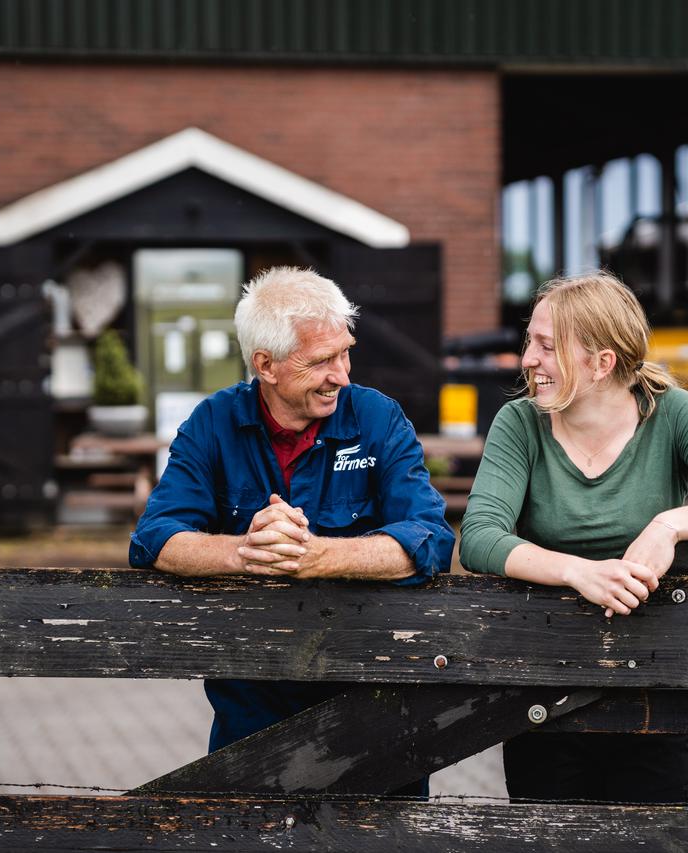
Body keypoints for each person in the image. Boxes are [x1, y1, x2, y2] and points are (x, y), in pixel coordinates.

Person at [459, 272, 688, 805]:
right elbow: (478, 537)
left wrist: (669, 525)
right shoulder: (518, 423)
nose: (527, 359)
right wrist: (577, 571)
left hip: (653, 685)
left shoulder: (672, 413)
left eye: (546, 346)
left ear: (602, 362)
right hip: (542, 686)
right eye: (530, 342)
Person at [130, 266, 455, 762]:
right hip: (251, 709)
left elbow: (431, 540)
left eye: (346, 351)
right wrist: (246, 551)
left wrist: (315, 555)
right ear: (266, 365)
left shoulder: (377, 417)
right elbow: (156, 538)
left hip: (376, 707)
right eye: (322, 360)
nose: (342, 375)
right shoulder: (212, 424)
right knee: (248, 836)